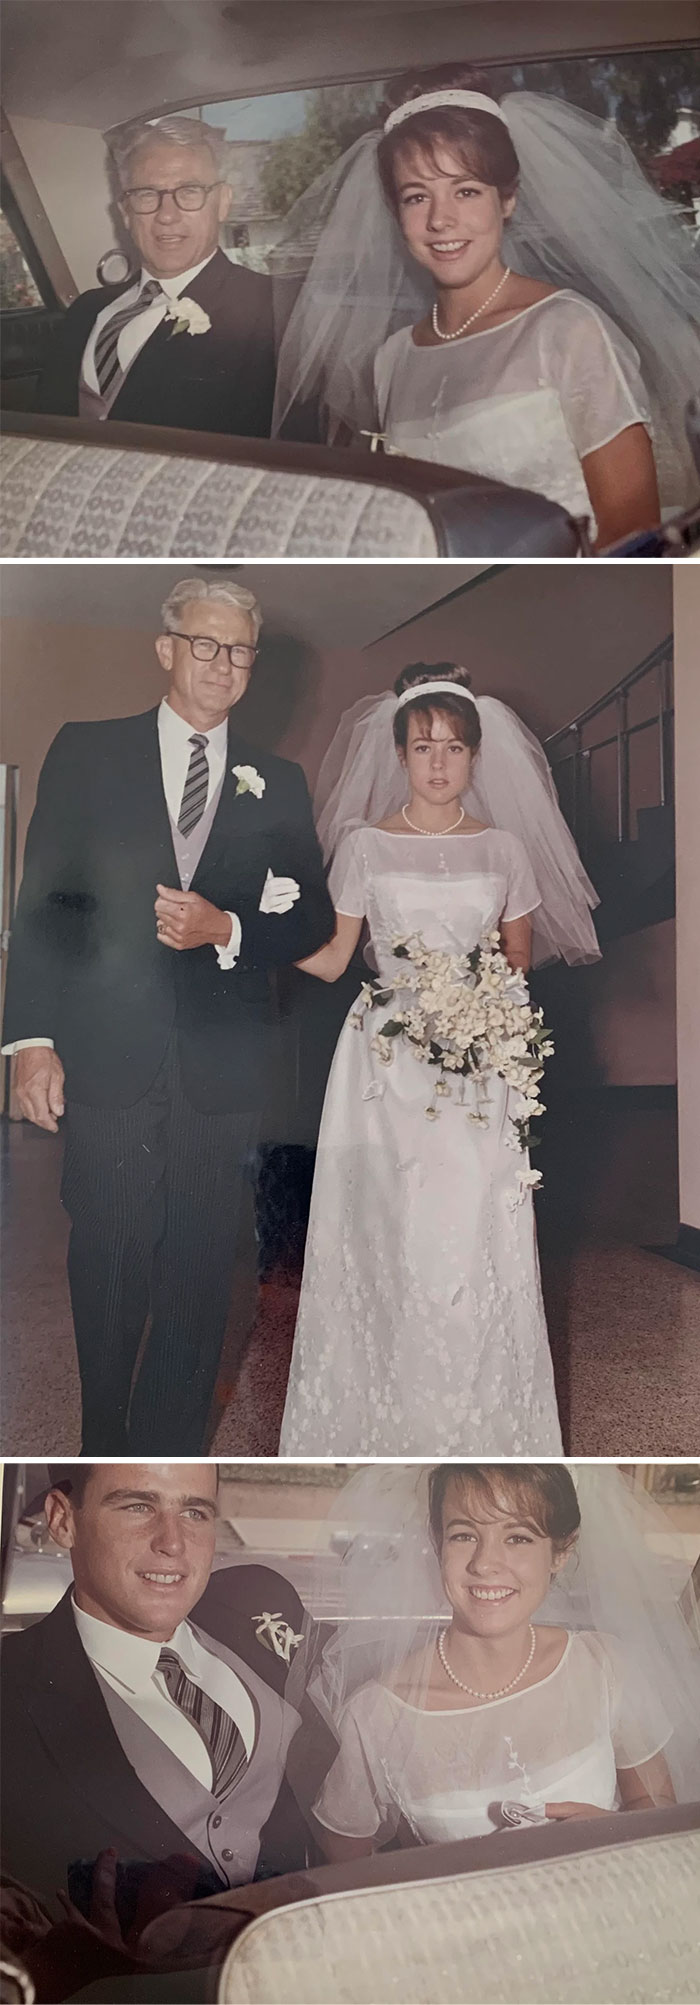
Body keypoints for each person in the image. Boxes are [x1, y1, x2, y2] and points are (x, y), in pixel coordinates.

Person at [1, 576, 335, 1453]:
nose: (222, 665)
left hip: (223, 1069)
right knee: (108, 1255)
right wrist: (31, 1044)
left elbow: (311, 923)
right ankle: (104, 1441)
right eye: (205, 644)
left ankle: (172, 1443)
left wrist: (225, 925)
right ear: (167, 649)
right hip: (109, 1053)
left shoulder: (282, 782)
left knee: (197, 1265)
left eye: (239, 651)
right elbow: (44, 904)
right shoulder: (86, 751)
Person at [279, 662, 600, 1456]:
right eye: (424, 746)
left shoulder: (504, 848)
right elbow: (332, 958)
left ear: (475, 759)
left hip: (478, 1060)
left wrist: (486, 1022)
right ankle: (385, 1408)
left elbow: (516, 960)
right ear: (400, 755)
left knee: (467, 1223)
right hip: (382, 1066)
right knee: (391, 1228)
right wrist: (253, 932)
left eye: (455, 749)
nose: (438, 762)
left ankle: (473, 1409)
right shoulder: (364, 846)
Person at [273, 64, 700, 547]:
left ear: (508, 201)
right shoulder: (392, 357)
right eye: (417, 197)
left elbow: (632, 535)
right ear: (396, 214)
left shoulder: (569, 330)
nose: (440, 219)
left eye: (467, 191)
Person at [296, 1462, 700, 1858]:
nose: (485, 1563)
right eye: (464, 1535)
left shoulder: (603, 1666)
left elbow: (656, 1804)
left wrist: (611, 1834)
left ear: (561, 1551)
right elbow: (350, 1880)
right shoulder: (375, 1717)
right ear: (437, 1544)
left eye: (519, 1538)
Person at [0, 1463, 322, 1937]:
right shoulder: (11, 1688)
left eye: (194, 1511)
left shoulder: (264, 1602)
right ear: (63, 1519)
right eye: (137, 1506)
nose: (172, 1542)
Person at [39, 115, 275, 437]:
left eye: (189, 191)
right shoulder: (86, 309)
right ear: (125, 213)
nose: (166, 215)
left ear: (222, 203)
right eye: (146, 194)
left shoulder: (270, 309)